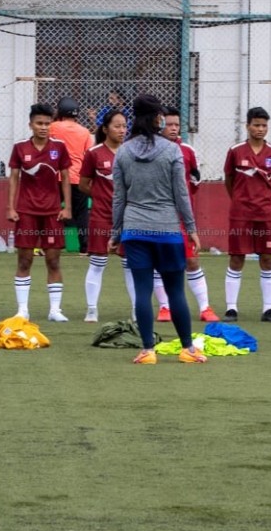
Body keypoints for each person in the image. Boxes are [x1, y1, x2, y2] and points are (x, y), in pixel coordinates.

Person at [109, 93, 205, 365]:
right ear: (157, 118)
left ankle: (148, 350)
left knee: (142, 291)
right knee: (176, 291)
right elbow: (181, 194)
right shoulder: (172, 150)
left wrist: (115, 234)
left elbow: (119, 198)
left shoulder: (123, 152)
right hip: (167, 230)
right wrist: (191, 228)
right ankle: (187, 349)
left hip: (134, 230)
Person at [7, 103, 71, 322]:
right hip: (26, 211)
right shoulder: (20, 148)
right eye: (39, 123)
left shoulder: (59, 147)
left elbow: (65, 177)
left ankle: (55, 310)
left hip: (52, 212)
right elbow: (14, 178)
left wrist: (67, 207)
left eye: (47, 123)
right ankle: (22, 310)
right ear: (31, 125)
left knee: (53, 260)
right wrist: (10, 207)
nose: (43, 127)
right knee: (24, 260)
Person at [155, 107, 217, 322]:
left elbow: (195, 182)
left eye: (176, 125)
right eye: (169, 124)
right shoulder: (152, 149)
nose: (173, 128)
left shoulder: (188, 151)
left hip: (182, 218)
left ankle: (205, 308)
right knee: (159, 262)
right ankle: (165, 307)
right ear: (160, 125)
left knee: (192, 261)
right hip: (158, 217)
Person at [222, 106, 271, 323]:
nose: (260, 129)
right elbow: (229, 180)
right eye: (256, 125)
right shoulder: (236, 151)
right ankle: (231, 308)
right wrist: (240, 199)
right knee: (237, 258)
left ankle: (268, 309)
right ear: (247, 126)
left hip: (266, 214)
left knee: (267, 258)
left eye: (264, 125)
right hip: (241, 214)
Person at [79, 108, 130, 323]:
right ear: (105, 129)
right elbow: (83, 184)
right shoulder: (94, 153)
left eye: (125, 126)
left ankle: (137, 310)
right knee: (98, 262)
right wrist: (101, 196)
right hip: (101, 216)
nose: (122, 130)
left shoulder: (131, 152)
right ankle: (92, 309)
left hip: (128, 218)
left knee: (130, 264)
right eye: (117, 126)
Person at [52, 97, 93, 254]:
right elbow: (88, 154)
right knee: (81, 213)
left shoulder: (53, 127)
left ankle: (53, 243)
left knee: (53, 210)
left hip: (57, 176)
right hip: (77, 176)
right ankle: (85, 247)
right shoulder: (84, 131)